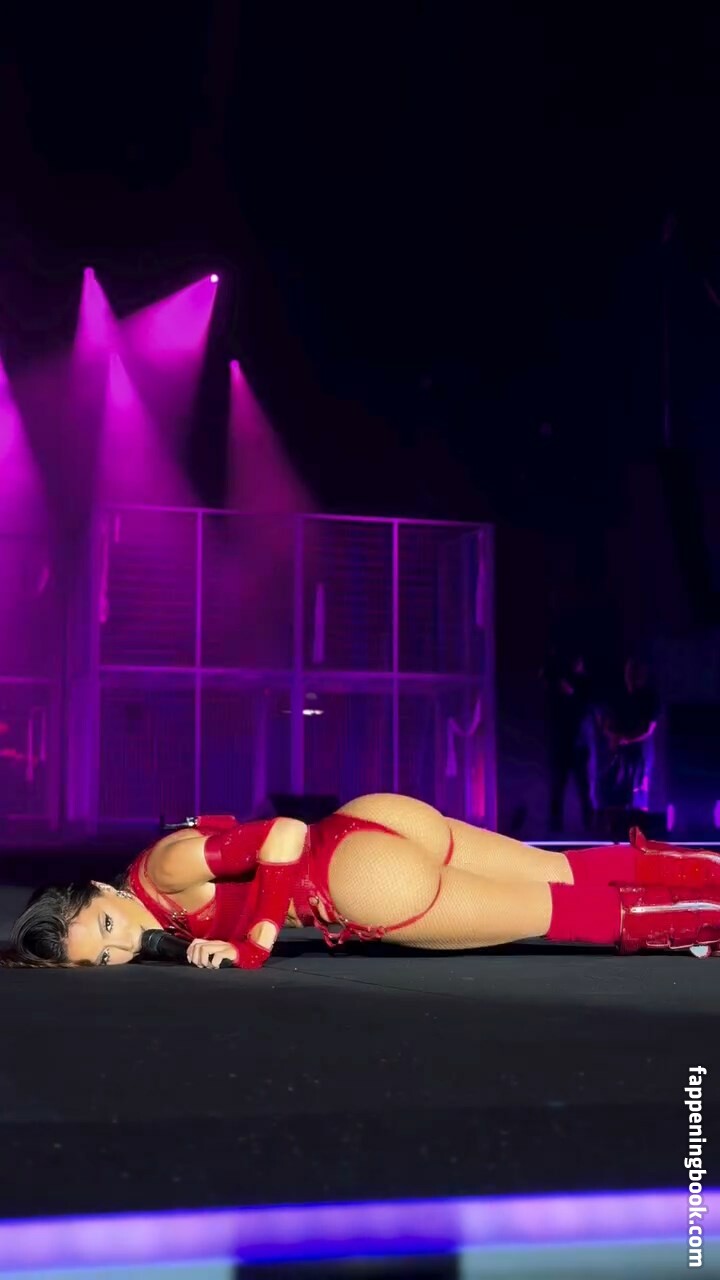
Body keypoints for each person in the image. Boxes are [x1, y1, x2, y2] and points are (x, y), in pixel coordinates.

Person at [3, 793, 720, 969]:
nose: (124, 945)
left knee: (562, 911)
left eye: (107, 926)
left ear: (102, 889)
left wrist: (253, 942)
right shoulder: (156, 890)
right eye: (102, 956)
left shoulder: (160, 872)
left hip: (357, 881)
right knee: (562, 870)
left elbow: (282, 834)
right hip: (371, 820)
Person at [541, 648, 594, 834]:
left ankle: (589, 826)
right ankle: (555, 828)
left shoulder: (585, 686)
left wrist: (571, 693)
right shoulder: (559, 685)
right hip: (564, 744)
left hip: (577, 744)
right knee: (558, 787)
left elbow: (584, 707)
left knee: (583, 788)